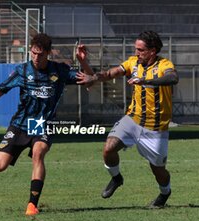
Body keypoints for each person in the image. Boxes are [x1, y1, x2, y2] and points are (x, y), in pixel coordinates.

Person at [0, 33, 85, 216]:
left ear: (48, 53)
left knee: (38, 153)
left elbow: (89, 79)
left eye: (40, 54)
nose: (36, 58)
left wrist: (83, 62)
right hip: (20, 124)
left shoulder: (59, 70)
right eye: (33, 53)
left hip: (41, 124)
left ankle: (32, 204)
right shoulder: (22, 71)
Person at [76, 30, 179, 208]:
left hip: (156, 129)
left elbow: (173, 77)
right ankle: (116, 178)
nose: (136, 53)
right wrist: (91, 76)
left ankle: (165, 193)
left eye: (140, 50)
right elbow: (110, 74)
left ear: (152, 51)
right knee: (108, 149)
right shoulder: (132, 63)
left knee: (158, 170)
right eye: (136, 49)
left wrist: (146, 81)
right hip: (132, 120)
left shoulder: (164, 65)